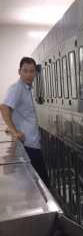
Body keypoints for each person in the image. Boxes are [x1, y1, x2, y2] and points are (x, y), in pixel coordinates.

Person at [0, 57, 50, 186]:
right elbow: (4, 107)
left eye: (32, 71)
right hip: (28, 146)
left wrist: (11, 126)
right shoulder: (17, 88)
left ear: (35, 73)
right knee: (42, 184)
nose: (28, 74)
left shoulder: (26, 89)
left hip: (32, 144)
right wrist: (14, 131)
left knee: (39, 183)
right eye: (25, 71)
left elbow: (13, 111)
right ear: (19, 72)